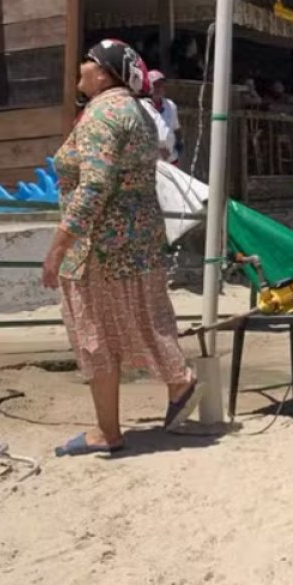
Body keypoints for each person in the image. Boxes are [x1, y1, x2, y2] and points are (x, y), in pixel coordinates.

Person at [42, 39, 200, 456]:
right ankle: (179, 380)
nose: (81, 66)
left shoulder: (100, 115)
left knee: (94, 334)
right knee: (146, 316)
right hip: (140, 238)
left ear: (103, 72)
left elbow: (94, 185)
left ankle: (107, 431)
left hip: (100, 247)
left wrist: (59, 246)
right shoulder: (139, 112)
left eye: (88, 61)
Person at [148, 70, 182, 164]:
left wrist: (179, 147)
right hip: (151, 161)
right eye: (155, 85)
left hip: (170, 159)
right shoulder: (142, 106)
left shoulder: (171, 106)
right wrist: (158, 150)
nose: (158, 88)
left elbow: (177, 128)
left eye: (161, 85)